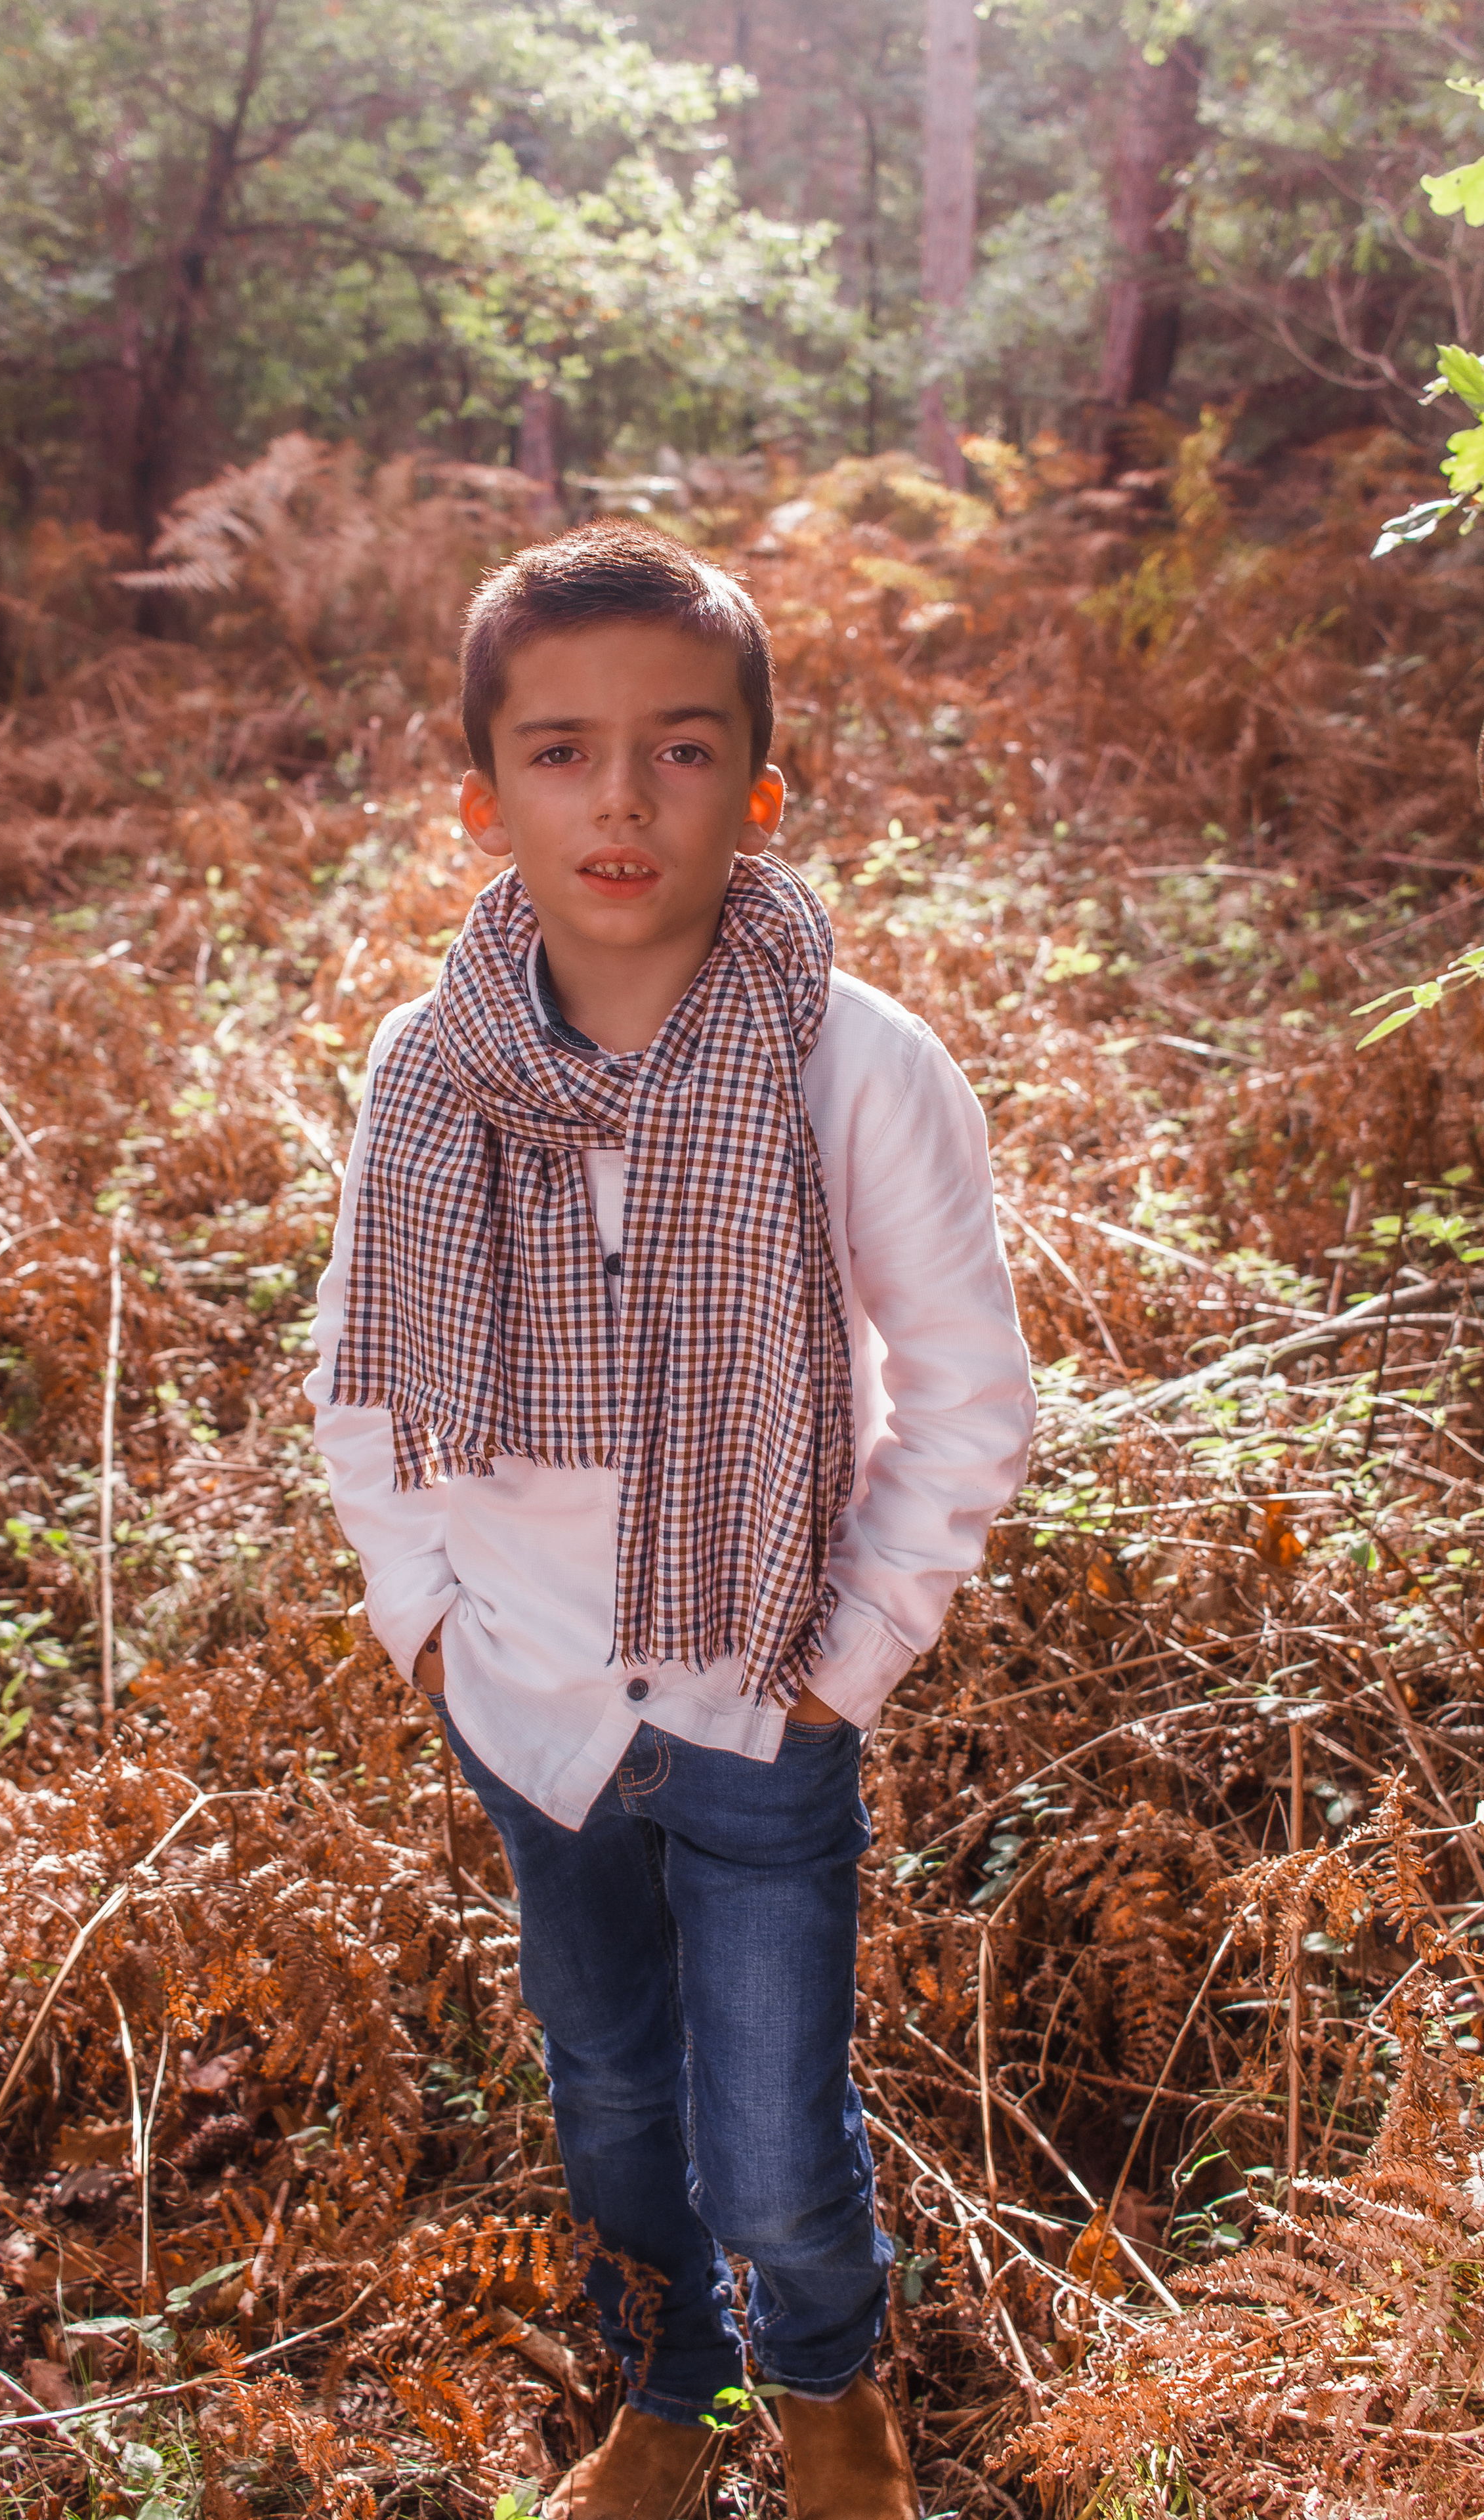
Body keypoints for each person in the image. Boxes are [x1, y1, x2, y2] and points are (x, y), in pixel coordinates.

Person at [308, 520, 1034, 2519]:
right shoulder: (428, 1072)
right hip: (531, 1696)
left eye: (681, 749)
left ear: (759, 789)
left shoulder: (855, 1066)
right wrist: (429, 1624)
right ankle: (665, 2392)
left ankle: (829, 2393)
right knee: (612, 2089)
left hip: (760, 1693)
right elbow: (364, 1377)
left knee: (776, 2126)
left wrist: (845, 1663)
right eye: (560, 751)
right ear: (485, 797)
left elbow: (969, 1397)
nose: (621, 797)